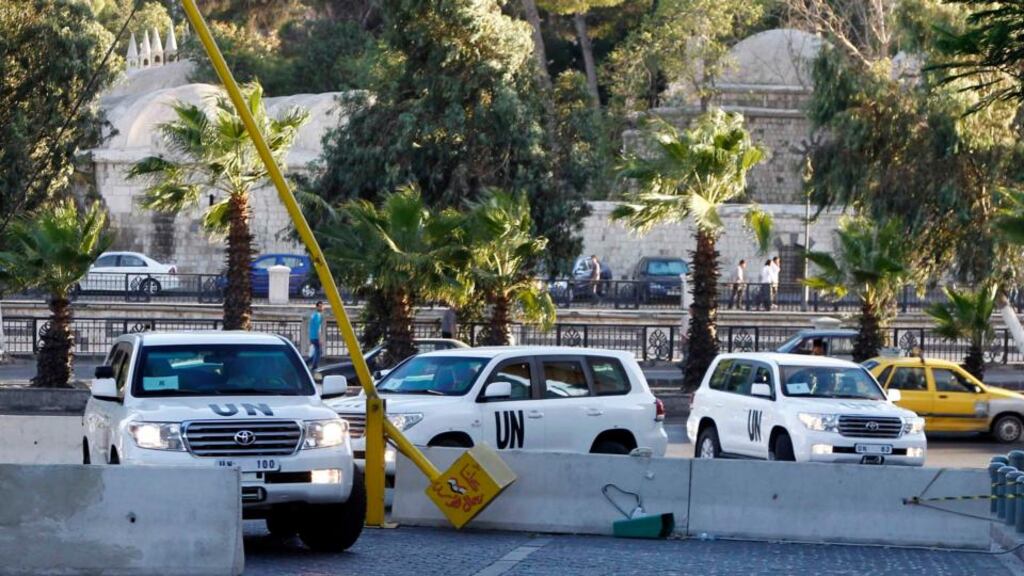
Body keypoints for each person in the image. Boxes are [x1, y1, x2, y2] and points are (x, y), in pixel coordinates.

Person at [308, 301, 324, 370]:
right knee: (318, 352)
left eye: (322, 306)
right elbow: (318, 328)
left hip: (312, 337)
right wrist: (320, 339)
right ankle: (314, 367)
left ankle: (307, 363)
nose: (321, 308)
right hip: (316, 337)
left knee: (317, 352)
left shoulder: (313, 315)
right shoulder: (317, 315)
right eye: (320, 306)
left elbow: (310, 326)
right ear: (317, 307)